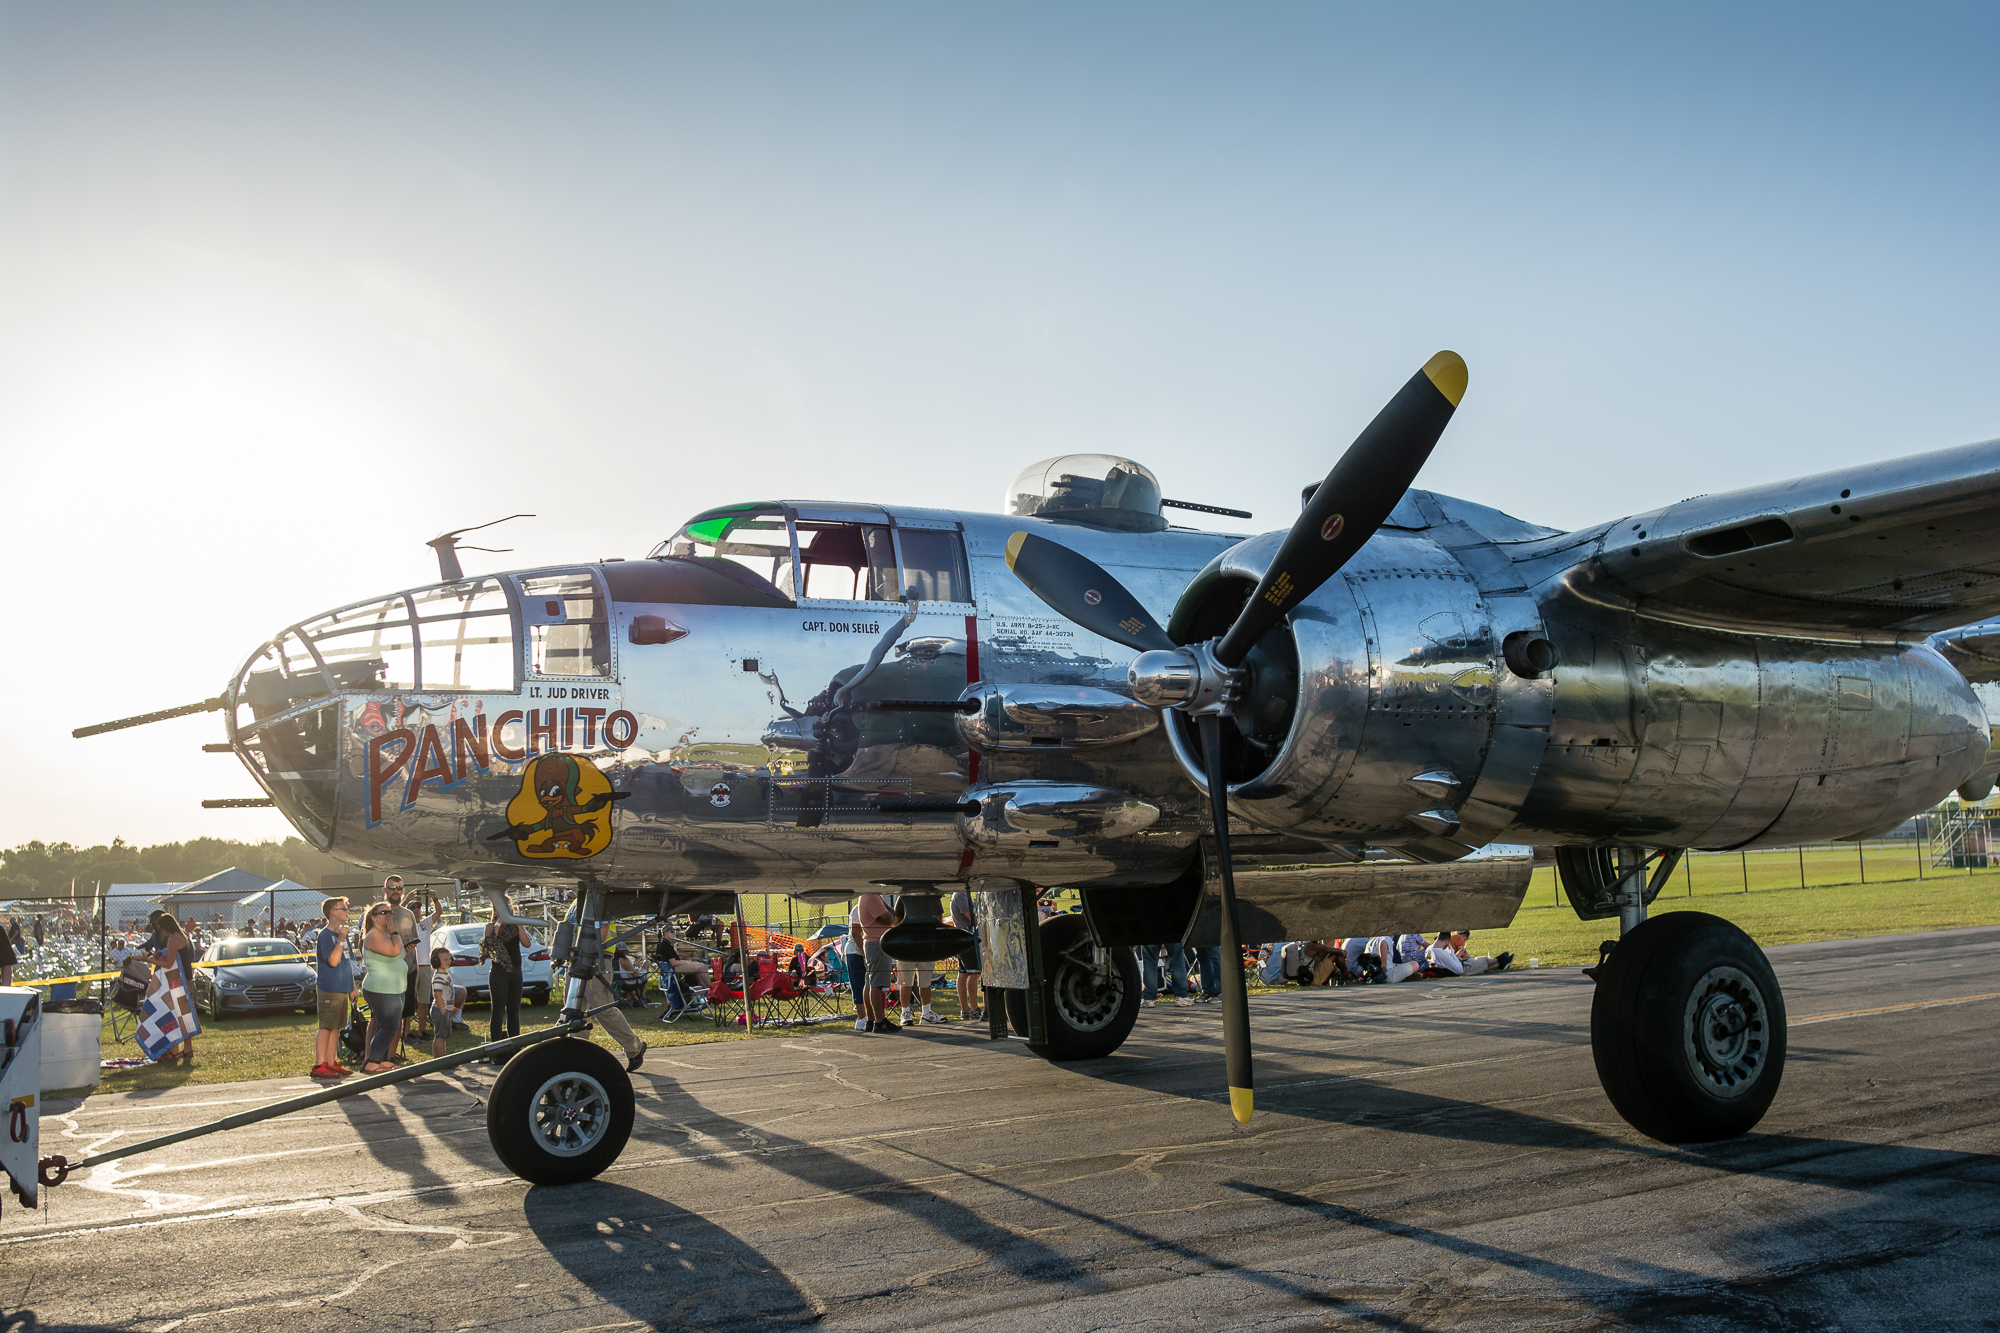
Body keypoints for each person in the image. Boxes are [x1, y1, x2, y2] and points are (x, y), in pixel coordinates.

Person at [888, 894, 948, 1026]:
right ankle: (905, 1013)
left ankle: (926, 1012)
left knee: (925, 979)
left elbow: (939, 918)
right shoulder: (903, 898)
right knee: (905, 980)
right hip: (907, 945)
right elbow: (896, 922)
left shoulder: (933, 897)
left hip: (925, 944)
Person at [312, 897, 353, 1079]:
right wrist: (341, 939)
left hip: (342, 988)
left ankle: (331, 1061)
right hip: (329, 988)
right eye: (343, 908)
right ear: (332, 912)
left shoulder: (341, 935)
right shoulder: (326, 935)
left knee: (336, 1026)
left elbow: (347, 962)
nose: (346, 911)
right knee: (326, 1026)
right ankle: (320, 1064)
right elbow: (333, 961)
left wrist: (351, 986)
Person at [377, 877, 420, 1046]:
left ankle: (395, 1050)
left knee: (405, 1010)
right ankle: (377, 1052)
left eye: (399, 888)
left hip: (407, 970)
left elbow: (414, 939)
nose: (395, 891)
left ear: (403, 890)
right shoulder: (377, 913)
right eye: (392, 887)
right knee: (383, 1015)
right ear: (384, 890)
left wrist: (413, 961)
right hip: (386, 971)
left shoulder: (408, 914)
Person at [150, 911, 197, 1060]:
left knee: (174, 1016)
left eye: (161, 928)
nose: (161, 931)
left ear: (167, 927)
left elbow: (169, 963)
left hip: (177, 982)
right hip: (184, 981)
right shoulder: (181, 935)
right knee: (184, 1016)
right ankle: (187, 1049)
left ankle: (173, 1050)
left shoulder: (173, 938)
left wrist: (149, 960)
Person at [481, 899, 526, 1046]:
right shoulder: (490, 926)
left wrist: (518, 926)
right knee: (498, 1011)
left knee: (514, 1012)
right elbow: (490, 943)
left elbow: (527, 943)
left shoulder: (516, 925)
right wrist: (499, 922)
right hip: (499, 971)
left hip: (516, 969)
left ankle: (515, 1045)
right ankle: (497, 1047)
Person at [854, 890, 898, 1032]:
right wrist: (887, 912)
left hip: (872, 942)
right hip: (877, 942)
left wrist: (887, 912)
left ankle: (871, 1020)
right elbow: (889, 918)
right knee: (877, 984)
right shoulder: (872, 897)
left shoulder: (870, 896)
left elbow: (891, 913)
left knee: (870, 982)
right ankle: (880, 1021)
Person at [949, 888, 982, 1022]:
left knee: (962, 974)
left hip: (963, 936)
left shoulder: (960, 894)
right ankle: (974, 1008)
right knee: (974, 973)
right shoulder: (960, 895)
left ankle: (965, 1008)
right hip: (967, 937)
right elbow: (973, 919)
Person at [429, 946, 463, 1059]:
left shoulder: (444, 974)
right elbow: (438, 994)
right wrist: (443, 1009)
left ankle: (437, 1059)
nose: (448, 961)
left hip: (443, 1009)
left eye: (449, 958)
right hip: (440, 1010)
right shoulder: (439, 976)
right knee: (441, 1036)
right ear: (436, 961)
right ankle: (441, 1059)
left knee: (439, 1034)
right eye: (445, 959)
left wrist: (450, 1007)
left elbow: (446, 994)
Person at [843, 902, 867, 1033]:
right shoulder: (857, 909)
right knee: (858, 985)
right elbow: (855, 933)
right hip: (855, 951)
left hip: (869, 950)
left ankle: (871, 1016)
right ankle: (861, 1017)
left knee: (870, 985)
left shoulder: (880, 906)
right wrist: (864, 952)